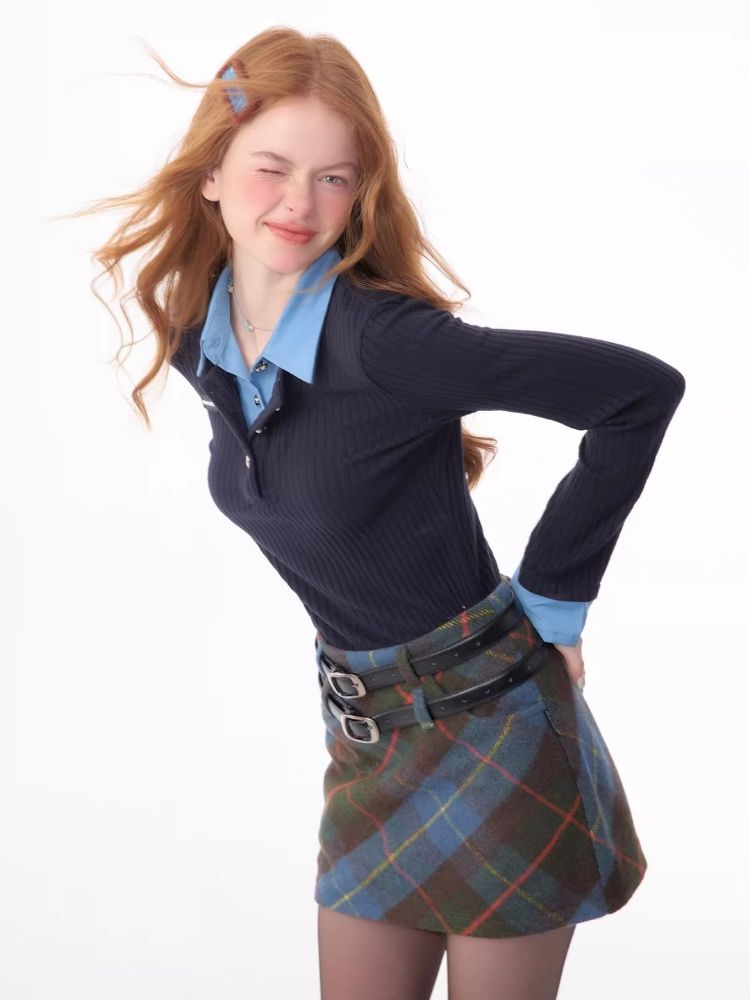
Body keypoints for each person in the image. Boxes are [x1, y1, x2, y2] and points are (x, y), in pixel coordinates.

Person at [76, 26, 686, 1000]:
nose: (298, 203)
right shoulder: (201, 331)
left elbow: (639, 393)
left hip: (496, 723)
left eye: (334, 178)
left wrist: (557, 597)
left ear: (360, 193)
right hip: (367, 741)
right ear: (211, 173)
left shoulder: (388, 342)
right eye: (272, 167)